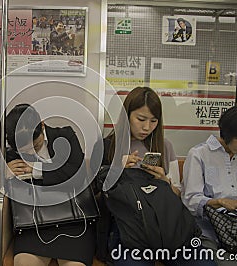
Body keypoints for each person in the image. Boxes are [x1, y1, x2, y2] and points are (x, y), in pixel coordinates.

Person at [91, 87, 215, 265]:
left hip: (167, 224)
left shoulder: (164, 146)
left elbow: (178, 195)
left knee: (205, 263)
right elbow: (92, 196)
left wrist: (164, 180)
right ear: (127, 116)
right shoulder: (106, 146)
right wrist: (116, 169)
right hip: (127, 227)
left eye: (153, 121)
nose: (147, 127)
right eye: (140, 119)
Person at [0, 104, 95, 266]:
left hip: (73, 222)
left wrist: (36, 170)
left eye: (35, 146)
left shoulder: (65, 137)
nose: (31, 153)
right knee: (24, 262)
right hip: (32, 225)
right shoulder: (10, 154)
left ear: (42, 125)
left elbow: (77, 177)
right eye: (24, 151)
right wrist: (1, 177)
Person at [182, 103, 237, 266]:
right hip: (209, 231)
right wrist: (219, 202)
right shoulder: (199, 154)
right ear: (227, 133)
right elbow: (190, 201)